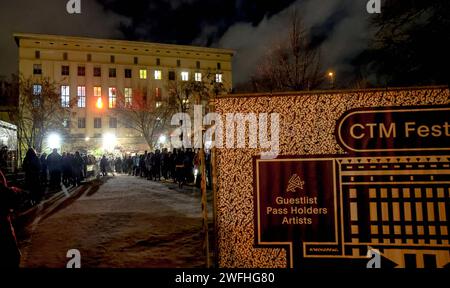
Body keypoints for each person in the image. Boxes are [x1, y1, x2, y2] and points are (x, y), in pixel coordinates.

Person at [0, 169, 21, 267]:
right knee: (12, 256)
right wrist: (13, 190)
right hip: (3, 226)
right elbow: (13, 196)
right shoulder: (4, 191)